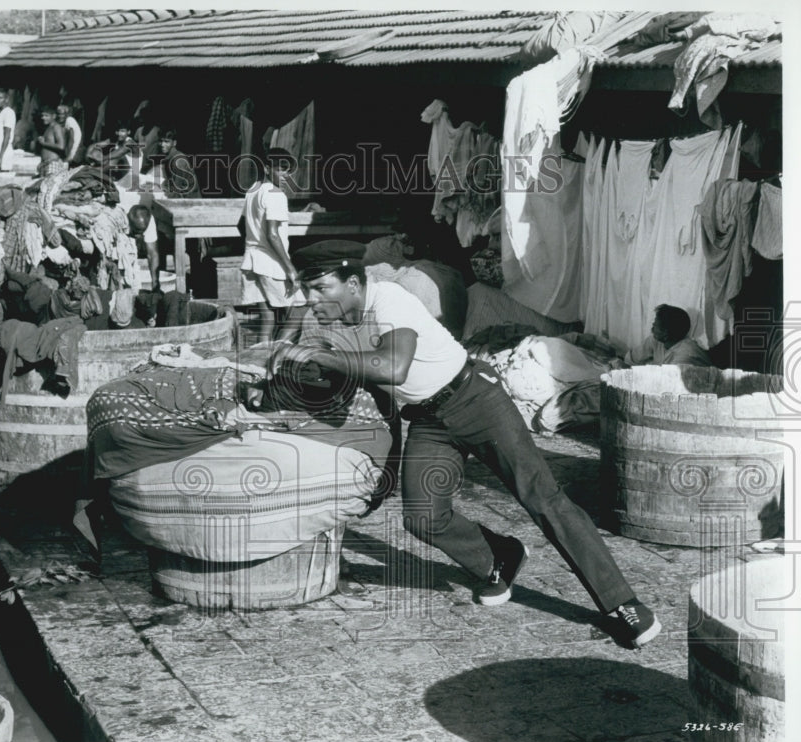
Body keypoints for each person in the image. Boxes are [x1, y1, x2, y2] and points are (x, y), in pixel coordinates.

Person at [272, 240, 662, 649]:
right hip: (428, 418)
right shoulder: (346, 320)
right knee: (423, 517)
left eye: (320, 288)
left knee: (543, 498)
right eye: (307, 289)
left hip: (475, 399)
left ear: (352, 283)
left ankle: (623, 604)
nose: (311, 299)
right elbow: (373, 382)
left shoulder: (389, 301)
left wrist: (315, 355)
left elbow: (393, 367)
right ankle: (499, 558)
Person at [240, 148, 307, 343]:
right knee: (299, 309)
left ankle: (259, 360)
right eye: (281, 169)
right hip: (271, 263)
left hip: (251, 260)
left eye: (288, 171)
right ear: (267, 169)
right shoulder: (276, 194)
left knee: (268, 317)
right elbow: (272, 234)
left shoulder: (253, 190)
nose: (286, 175)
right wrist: (290, 269)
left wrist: (254, 241)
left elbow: (240, 225)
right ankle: (281, 354)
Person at [625, 304, 712, 367]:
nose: (652, 327)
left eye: (656, 325)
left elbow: (668, 385)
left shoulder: (686, 355)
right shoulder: (656, 340)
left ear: (665, 333)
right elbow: (630, 359)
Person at [158, 129, 200, 198]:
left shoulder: (178, 161)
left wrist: (160, 193)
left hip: (191, 202)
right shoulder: (169, 158)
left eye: (166, 141)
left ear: (174, 143)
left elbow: (176, 193)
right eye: (161, 141)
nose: (162, 144)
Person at [36, 106, 67, 177]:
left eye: (46, 116)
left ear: (54, 116)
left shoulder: (56, 127)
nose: (43, 118)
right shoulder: (48, 128)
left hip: (52, 163)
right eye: (42, 115)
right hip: (45, 164)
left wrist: (44, 143)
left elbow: (61, 146)